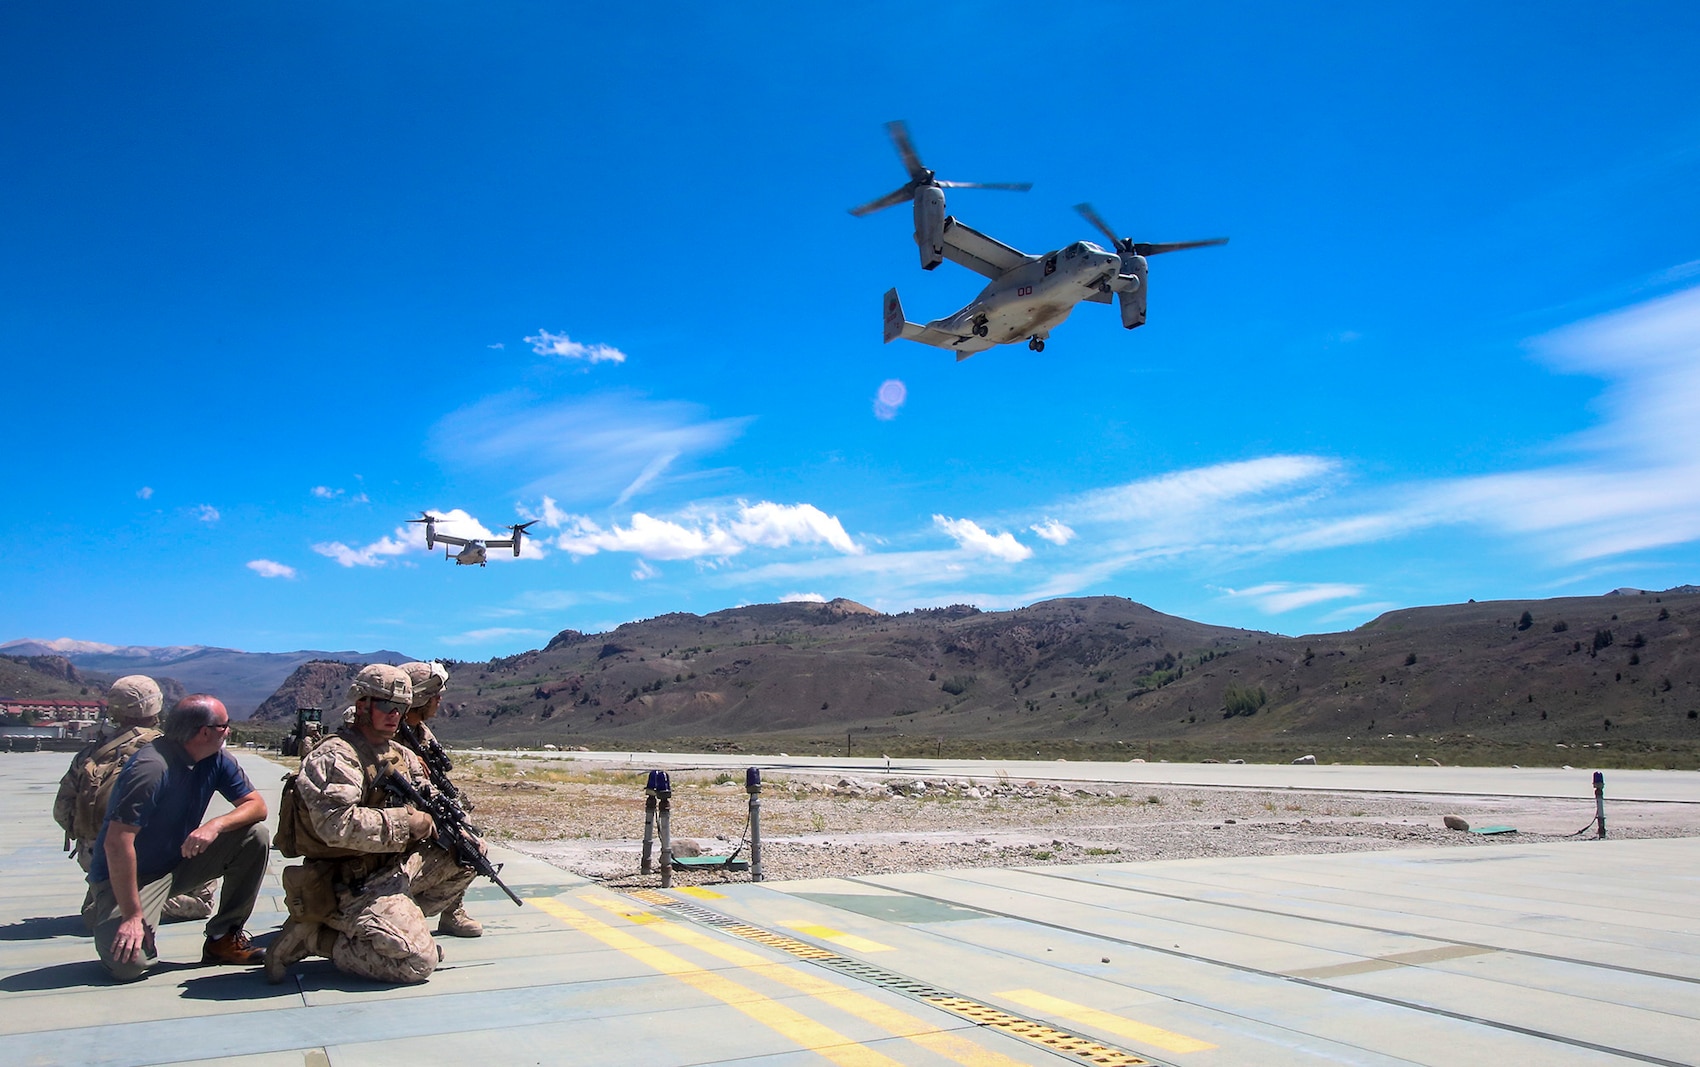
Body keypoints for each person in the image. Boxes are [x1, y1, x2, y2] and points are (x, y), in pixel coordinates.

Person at [265, 664, 476, 984]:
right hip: (347, 881)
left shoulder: (399, 754)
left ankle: (398, 929)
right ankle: (318, 938)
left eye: (401, 709)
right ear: (363, 705)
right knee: (419, 962)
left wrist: (446, 820)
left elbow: (427, 797)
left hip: (391, 870)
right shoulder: (338, 756)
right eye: (387, 706)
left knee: (468, 851)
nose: (395, 716)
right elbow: (335, 824)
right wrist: (406, 823)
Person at [86, 695, 271, 980]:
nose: (229, 731)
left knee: (254, 836)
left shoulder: (217, 759)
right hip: (128, 877)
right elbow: (117, 842)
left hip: (176, 864)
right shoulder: (151, 768)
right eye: (225, 725)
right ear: (204, 731)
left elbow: (256, 807)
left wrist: (215, 825)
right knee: (128, 965)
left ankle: (223, 939)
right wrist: (133, 916)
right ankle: (107, 906)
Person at [54, 676, 217, 926]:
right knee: (203, 903)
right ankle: (122, 902)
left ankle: (106, 892)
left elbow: (62, 811)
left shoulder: (91, 753)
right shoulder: (166, 750)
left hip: (92, 854)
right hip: (144, 854)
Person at [396, 660, 480, 938]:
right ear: (420, 698)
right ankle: (399, 917)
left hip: (421, 816)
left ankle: (449, 910)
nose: (439, 701)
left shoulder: (421, 733)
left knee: (468, 845)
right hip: (394, 826)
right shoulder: (383, 734)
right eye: (434, 696)